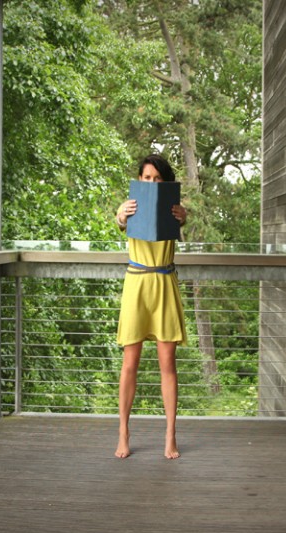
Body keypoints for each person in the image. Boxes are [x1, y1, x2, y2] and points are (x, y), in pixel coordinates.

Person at [113, 154, 188, 459]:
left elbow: (181, 222)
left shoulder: (175, 208)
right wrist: (120, 216)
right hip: (136, 284)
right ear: (139, 180)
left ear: (165, 181)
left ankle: (170, 435)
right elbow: (119, 222)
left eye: (158, 178)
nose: (152, 182)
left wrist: (183, 216)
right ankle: (123, 432)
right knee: (130, 363)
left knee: (167, 363)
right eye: (147, 178)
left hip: (164, 282)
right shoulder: (129, 206)